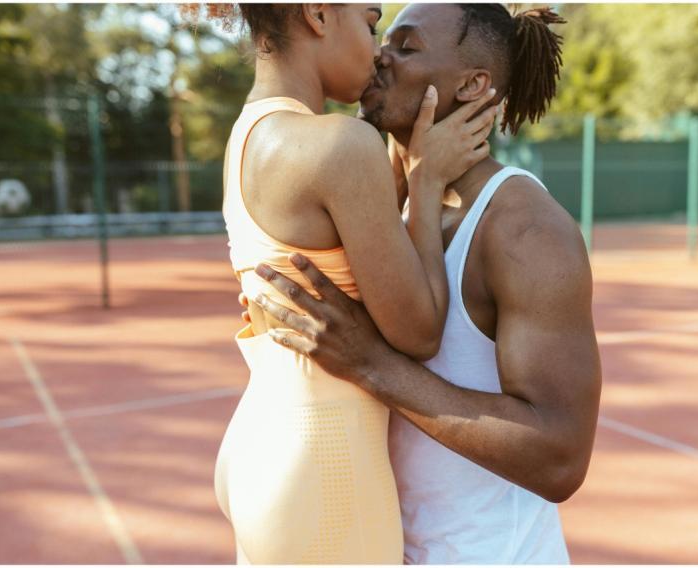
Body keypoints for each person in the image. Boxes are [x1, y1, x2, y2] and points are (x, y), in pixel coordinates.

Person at [247, 3, 602, 564]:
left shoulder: (524, 229)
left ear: (472, 85)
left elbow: (560, 458)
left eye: (407, 47)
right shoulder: (392, 201)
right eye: (383, 39)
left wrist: (373, 365)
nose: (380, 55)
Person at [181, 3, 499, 564]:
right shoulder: (341, 144)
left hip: (261, 439)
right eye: (371, 22)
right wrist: (425, 183)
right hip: (324, 455)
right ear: (319, 14)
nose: (377, 50)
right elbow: (419, 332)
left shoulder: (249, 133)